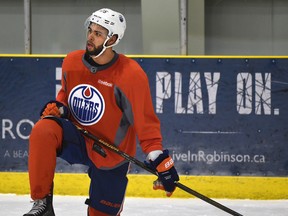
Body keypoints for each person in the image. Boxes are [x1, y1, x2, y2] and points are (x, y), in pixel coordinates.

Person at [23, 8, 179, 216]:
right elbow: (66, 98)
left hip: (111, 153)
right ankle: (42, 203)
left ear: (112, 39)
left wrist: (161, 162)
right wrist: (59, 108)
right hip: (79, 138)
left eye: (98, 33)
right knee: (44, 129)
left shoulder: (131, 75)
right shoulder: (72, 61)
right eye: (90, 30)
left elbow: (145, 124)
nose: (90, 37)